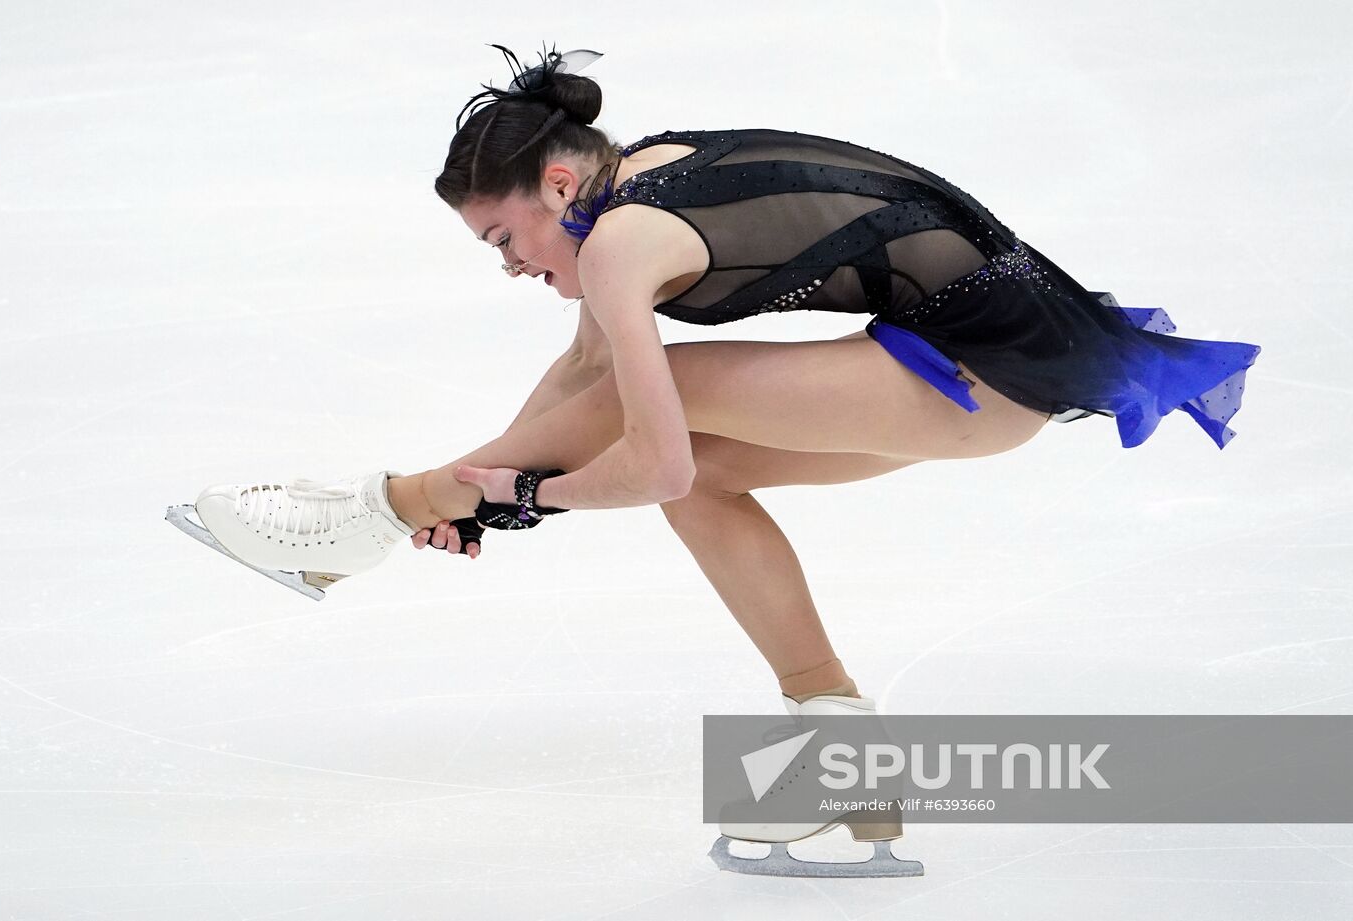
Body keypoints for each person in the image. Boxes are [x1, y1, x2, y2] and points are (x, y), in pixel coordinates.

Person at [166, 43, 1260, 876]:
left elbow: (654, 460)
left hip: (987, 377)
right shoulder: (634, 185)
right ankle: (842, 757)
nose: (504, 267)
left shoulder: (621, 245)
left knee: (677, 419)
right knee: (705, 464)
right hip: (975, 368)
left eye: (501, 240)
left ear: (554, 187)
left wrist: (506, 494)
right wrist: (489, 498)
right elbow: (577, 390)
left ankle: (351, 525)